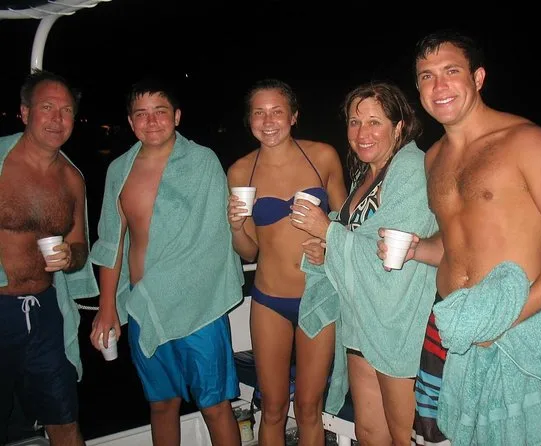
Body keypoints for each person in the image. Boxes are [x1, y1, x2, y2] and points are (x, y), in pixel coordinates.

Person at [378, 30, 541, 445]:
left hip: (510, 330)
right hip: (449, 322)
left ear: (478, 78)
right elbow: (455, 243)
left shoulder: (527, 142)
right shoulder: (434, 158)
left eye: (451, 71)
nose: (439, 86)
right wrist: (417, 249)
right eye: (427, 76)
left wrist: (506, 319)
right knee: (435, 438)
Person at [89, 78, 244, 446]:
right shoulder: (119, 171)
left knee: (215, 405)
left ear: (176, 116)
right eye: (141, 114)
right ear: (131, 122)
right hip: (145, 305)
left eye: (160, 111)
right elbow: (112, 242)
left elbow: (216, 237)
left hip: (198, 306)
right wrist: (107, 306)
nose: (152, 121)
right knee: (161, 404)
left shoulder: (203, 162)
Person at [294, 81, 438, 446]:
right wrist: (327, 248)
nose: (362, 133)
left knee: (405, 437)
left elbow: (391, 246)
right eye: (355, 122)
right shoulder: (365, 173)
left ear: (398, 127)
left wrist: (327, 231)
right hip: (362, 321)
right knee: (370, 433)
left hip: (397, 322)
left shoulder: (411, 169)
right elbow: (356, 236)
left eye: (375, 122)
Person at [226, 78, 347, 446]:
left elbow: (346, 224)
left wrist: (327, 244)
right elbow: (249, 252)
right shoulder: (240, 171)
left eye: (277, 111)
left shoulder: (322, 156)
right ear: (249, 119)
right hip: (269, 301)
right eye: (258, 113)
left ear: (293, 116)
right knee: (274, 408)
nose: (268, 121)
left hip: (318, 296)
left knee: (310, 407)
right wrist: (235, 227)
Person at [0, 69, 99, 446]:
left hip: (44, 314)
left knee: (65, 419)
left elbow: (80, 248)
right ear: (25, 112)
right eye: (47, 108)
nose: (57, 119)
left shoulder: (72, 179)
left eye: (67, 110)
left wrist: (70, 256)